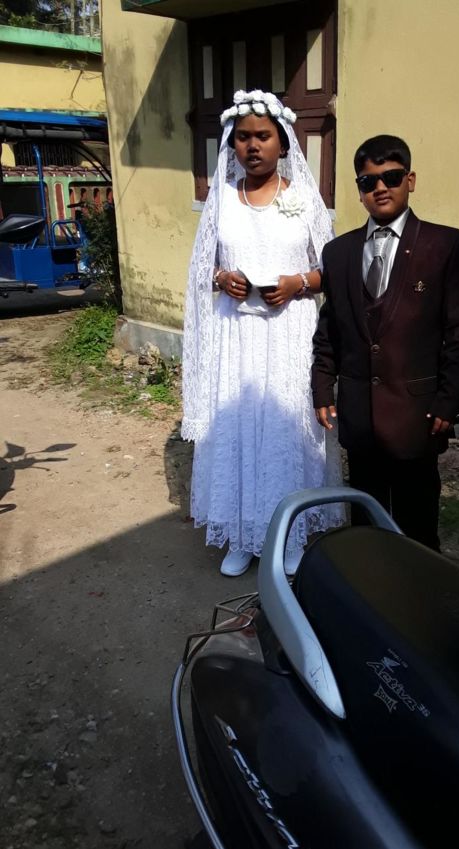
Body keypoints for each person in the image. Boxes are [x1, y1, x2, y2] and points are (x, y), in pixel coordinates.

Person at [182, 90, 343, 577]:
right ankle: (242, 535)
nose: (252, 146)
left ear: (283, 143)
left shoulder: (303, 199)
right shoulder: (221, 201)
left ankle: (289, 535)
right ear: (232, 144)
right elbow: (201, 266)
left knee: (286, 430)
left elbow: (331, 270)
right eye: (243, 137)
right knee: (237, 428)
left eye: (263, 136)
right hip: (236, 337)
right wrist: (221, 278)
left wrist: (299, 283)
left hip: (289, 335)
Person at [312, 134, 459, 551]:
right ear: (359, 190)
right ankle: (370, 579)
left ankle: (419, 582)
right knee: (366, 517)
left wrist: (450, 400)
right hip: (358, 412)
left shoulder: (446, 245)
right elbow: (330, 327)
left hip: (416, 413)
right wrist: (322, 387)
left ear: (410, 180)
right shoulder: (338, 252)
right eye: (368, 181)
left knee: (416, 520)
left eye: (391, 177)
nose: (380, 188)